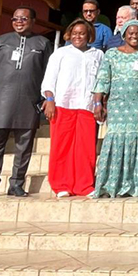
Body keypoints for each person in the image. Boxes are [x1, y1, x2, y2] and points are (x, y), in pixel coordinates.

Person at [0, 7, 52, 199]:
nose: (19, 22)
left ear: (33, 21)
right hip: (0, 102)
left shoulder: (43, 43)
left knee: (24, 147)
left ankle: (17, 184)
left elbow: (49, 74)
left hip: (29, 101)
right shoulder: (1, 41)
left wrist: (47, 98)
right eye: (15, 19)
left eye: (24, 18)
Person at [92, 20, 138, 197]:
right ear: (123, 35)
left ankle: (135, 185)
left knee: (137, 140)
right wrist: (98, 103)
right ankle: (110, 184)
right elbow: (103, 79)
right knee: (115, 140)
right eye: (130, 33)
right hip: (116, 106)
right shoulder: (112, 54)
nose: (134, 36)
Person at [41, 19, 103, 198]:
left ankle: (85, 185)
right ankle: (61, 184)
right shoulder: (60, 53)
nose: (78, 36)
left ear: (89, 35)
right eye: (75, 33)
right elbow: (49, 79)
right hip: (63, 105)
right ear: (69, 34)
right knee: (61, 147)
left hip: (87, 106)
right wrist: (50, 100)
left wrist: (99, 103)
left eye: (82, 33)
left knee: (86, 148)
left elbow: (101, 80)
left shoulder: (98, 54)